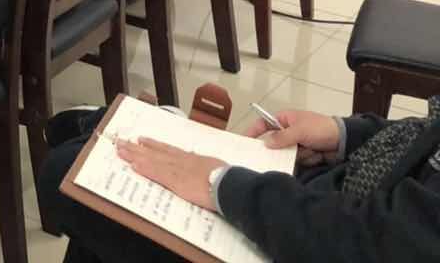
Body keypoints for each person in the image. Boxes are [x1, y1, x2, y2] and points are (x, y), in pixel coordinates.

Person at [38, 97, 440, 262]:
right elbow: (428, 136)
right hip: (338, 198)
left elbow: (373, 244)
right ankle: (109, 124)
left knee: (70, 172)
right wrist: (346, 134)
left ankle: (99, 124)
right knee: (92, 176)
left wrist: (222, 184)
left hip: (324, 236)